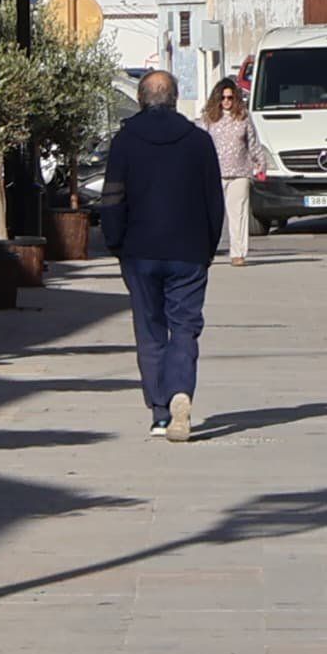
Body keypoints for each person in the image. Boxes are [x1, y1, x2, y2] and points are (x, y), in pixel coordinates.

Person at [101, 68, 227, 441]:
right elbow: (213, 202)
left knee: (150, 330)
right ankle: (181, 393)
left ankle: (160, 412)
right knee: (185, 327)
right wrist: (208, 247)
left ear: (141, 99)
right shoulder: (198, 142)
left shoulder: (125, 141)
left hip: (140, 252)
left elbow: (112, 199)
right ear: (174, 100)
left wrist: (115, 243)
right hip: (188, 252)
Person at [202, 75, 261, 260]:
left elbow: (253, 142)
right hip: (215, 174)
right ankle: (208, 250)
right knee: (212, 215)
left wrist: (260, 162)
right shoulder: (208, 119)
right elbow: (201, 144)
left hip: (240, 172)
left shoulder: (243, 117)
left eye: (230, 98)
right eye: (223, 98)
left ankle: (238, 253)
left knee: (239, 214)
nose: (226, 102)